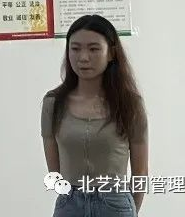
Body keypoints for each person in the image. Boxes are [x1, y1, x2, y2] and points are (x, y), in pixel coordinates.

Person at [41, 14, 148, 216]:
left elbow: (140, 171)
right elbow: (54, 169)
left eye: (93, 49)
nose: (83, 57)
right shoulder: (53, 103)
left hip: (115, 202)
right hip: (70, 203)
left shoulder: (129, 104)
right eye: (75, 48)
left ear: (111, 53)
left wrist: (129, 209)